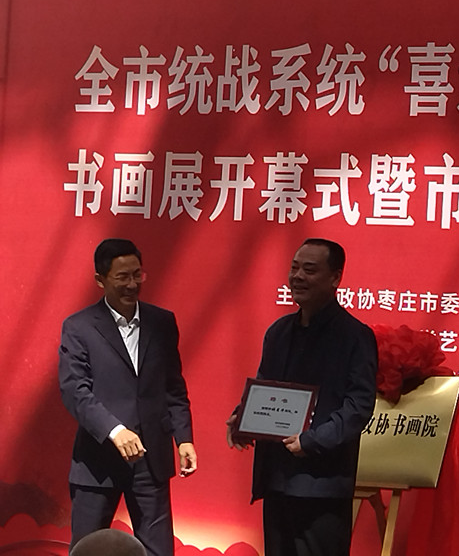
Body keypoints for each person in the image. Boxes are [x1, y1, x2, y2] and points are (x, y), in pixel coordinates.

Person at [227, 238, 377, 556]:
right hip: (277, 478)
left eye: (309, 270)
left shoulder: (355, 336)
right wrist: (244, 417)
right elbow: (265, 388)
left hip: (322, 484)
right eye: (294, 268)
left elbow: (359, 407)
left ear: (335, 278)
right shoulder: (279, 332)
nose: (297, 276)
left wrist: (312, 441)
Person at [58, 238, 197, 556]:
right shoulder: (79, 327)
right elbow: (75, 390)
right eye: (122, 277)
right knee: (87, 550)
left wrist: (184, 438)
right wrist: (115, 430)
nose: (132, 284)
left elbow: (173, 387)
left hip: (151, 459)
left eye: (137, 274)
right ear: (100, 279)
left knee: (158, 550)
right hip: (97, 462)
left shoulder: (162, 322)